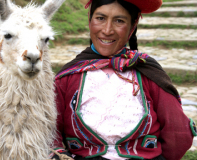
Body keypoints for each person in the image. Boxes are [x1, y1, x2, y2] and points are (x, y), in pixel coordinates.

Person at [49, 0, 197, 160]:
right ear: (89, 20)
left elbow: (178, 132)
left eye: (119, 21)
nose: (107, 30)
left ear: (132, 27)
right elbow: (50, 132)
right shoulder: (67, 78)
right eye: (100, 18)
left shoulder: (148, 73)